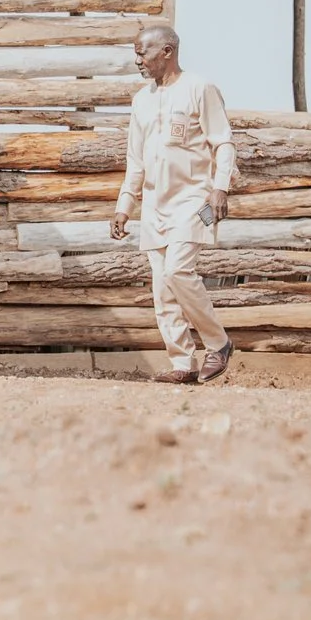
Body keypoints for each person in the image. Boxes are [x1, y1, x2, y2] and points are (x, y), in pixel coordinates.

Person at [110, 24, 239, 384]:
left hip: (197, 200)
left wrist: (221, 187)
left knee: (178, 271)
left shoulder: (200, 89)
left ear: (167, 51)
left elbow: (223, 142)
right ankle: (183, 363)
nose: (137, 60)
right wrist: (124, 206)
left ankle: (219, 343)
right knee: (162, 288)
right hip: (154, 205)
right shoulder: (141, 100)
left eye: (142, 52)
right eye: (136, 53)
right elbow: (135, 161)